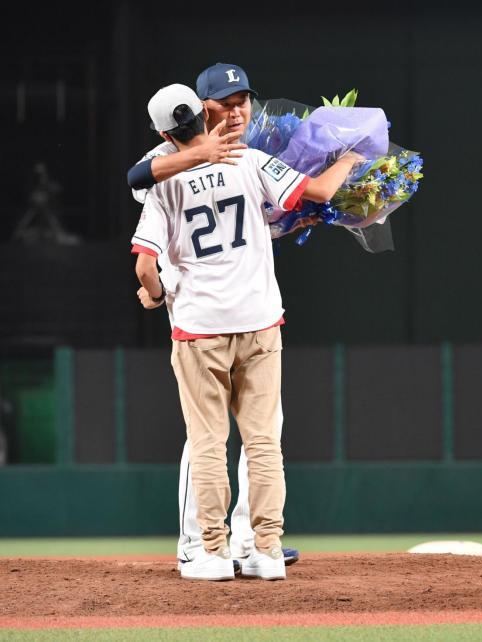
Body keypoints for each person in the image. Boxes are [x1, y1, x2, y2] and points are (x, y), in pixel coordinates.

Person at [131, 83, 362, 580]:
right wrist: (354, 156)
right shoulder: (251, 160)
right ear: (205, 113)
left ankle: (211, 553)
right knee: (263, 443)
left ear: (161, 132)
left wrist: (153, 294)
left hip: (199, 330)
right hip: (259, 324)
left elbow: (146, 266)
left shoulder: (162, 182)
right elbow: (320, 193)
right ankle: (267, 551)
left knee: (208, 443)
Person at [127, 63, 300, 570]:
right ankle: (200, 541)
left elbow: (278, 210)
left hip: (246, 307)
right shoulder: (167, 157)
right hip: (202, 311)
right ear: (205, 110)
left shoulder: (251, 151)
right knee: (207, 440)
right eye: (225, 102)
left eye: (243, 99)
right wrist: (199, 152)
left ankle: (249, 542)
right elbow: (137, 178)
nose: (237, 109)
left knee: (258, 436)